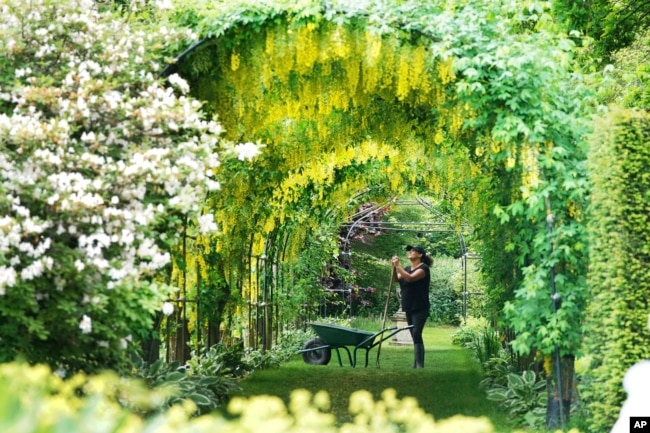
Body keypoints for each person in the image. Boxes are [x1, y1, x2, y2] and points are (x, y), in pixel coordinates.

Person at [391, 245, 432, 368]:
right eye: (410, 251)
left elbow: (409, 278)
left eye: (413, 251)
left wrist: (398, 266)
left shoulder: (423, 268)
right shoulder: (407, 268)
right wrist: (393, 268)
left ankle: (419, 364)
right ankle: (416, 364)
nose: (410, 252)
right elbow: (395, 280)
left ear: (420, 255)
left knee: (416, 333)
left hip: (420, 306)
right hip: (408, 306)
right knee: (413, 333)